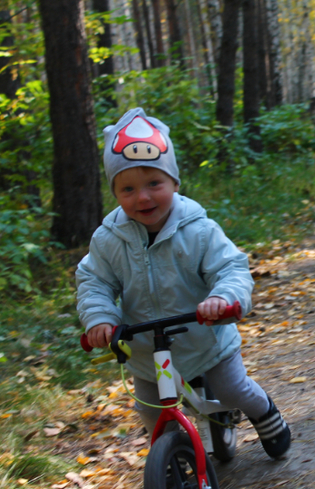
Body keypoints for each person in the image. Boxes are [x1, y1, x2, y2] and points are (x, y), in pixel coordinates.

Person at [76, 107, 291, 459]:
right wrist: (100, 318)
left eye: (154, 184)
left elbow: (230, 267)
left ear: (175, 183)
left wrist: (223, 298)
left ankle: (264, 413)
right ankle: (171, 463)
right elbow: (94, 280)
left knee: (232, 389)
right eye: (128, 188)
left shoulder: (199, 230)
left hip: (205, 339)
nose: (142, 197)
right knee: (152, 411)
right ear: (114, 192)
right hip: (146, 349)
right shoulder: (108, 239)